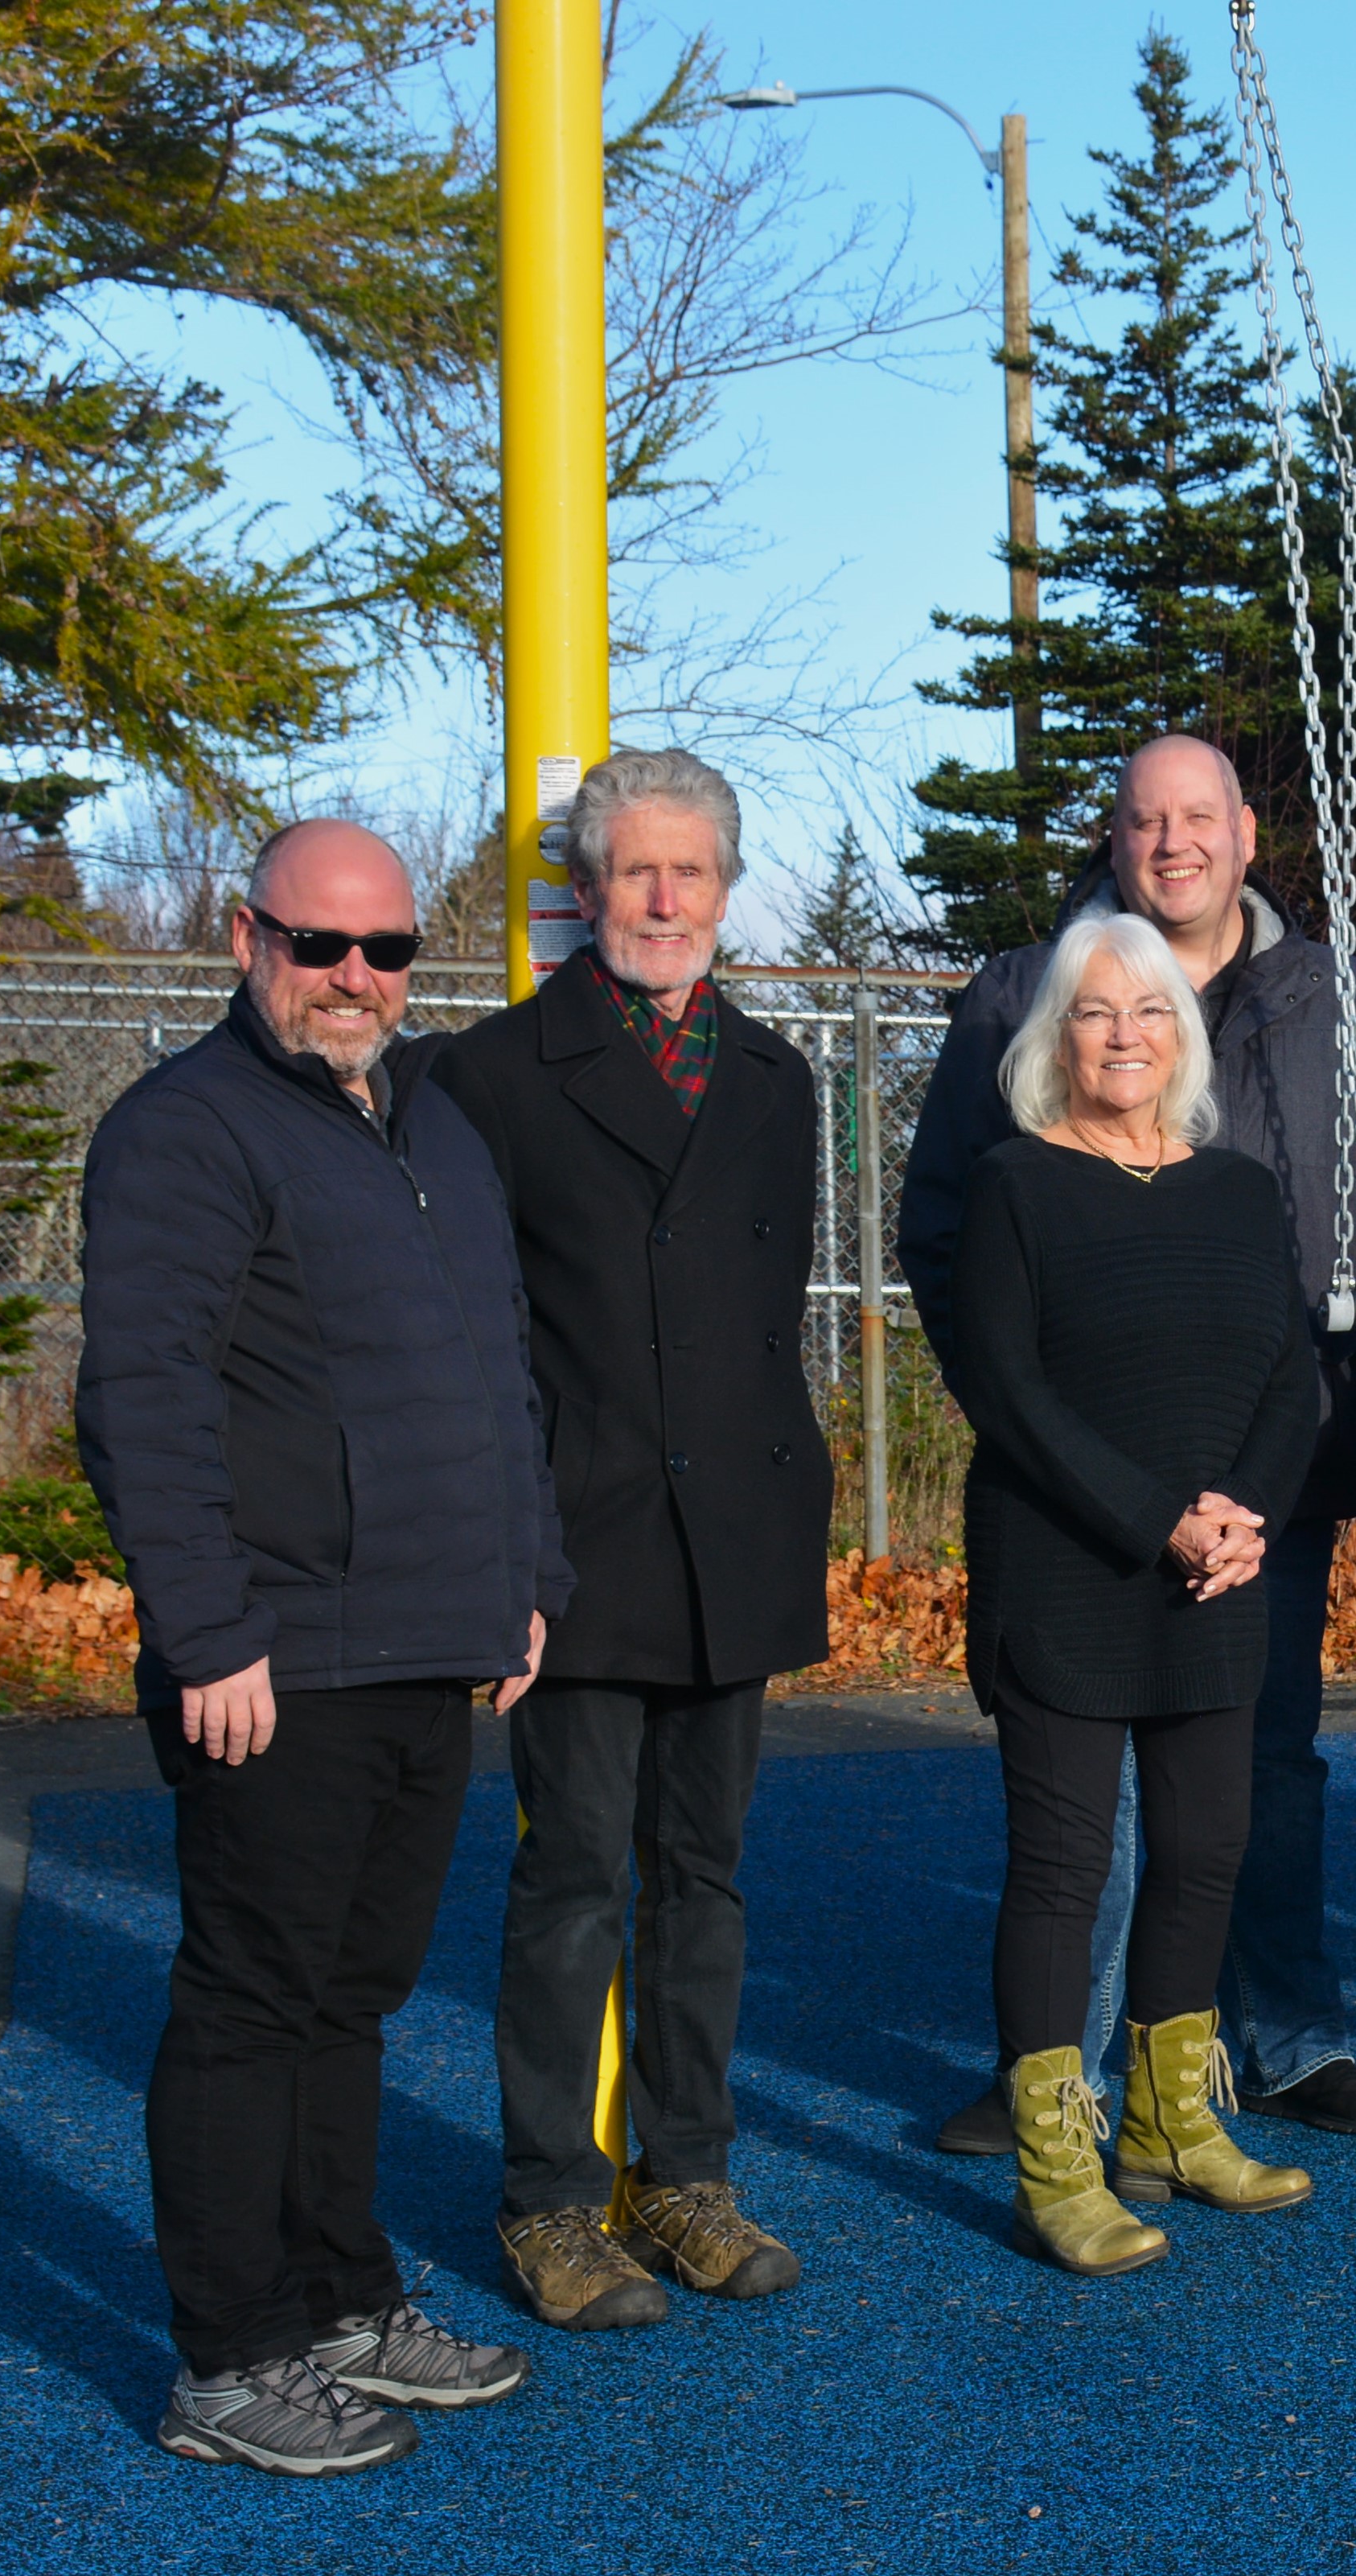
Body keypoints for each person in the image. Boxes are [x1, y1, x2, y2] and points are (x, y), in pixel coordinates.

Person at [78, 818, 564, 2475]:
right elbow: (141, 1396)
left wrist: (523, 1574)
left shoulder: (432, 1120)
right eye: (320, 946)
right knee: (250, 1998)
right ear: (248, 939)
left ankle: (341, 2296)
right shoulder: (185, 1131)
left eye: (386, 951)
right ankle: (228, 2356)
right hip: (279, 1655)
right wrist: (207, 1626)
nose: (354, 979)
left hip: (437, 1634)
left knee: (351, 1997)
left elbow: (497, 1361)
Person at [902, 735, 1356, 2147]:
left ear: (1247, 834)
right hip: (1082, 1479)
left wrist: (1311, 1444)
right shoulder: (1026, 994)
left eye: (1197, 818)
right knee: (1085, 1805)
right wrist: (1031, 1428)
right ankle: (1061, 2067)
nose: (1173, 844)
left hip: (1276, 1469)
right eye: (1146, 820)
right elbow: (949, 1229)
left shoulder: (1339, 1001)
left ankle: (1282, 2040)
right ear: (1117, 837)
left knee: (1253, 1770)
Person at [429, 749, 829, 2332]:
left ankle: (687, 2174)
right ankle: (546, 2197)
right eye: (635, 870)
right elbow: (481, 1337)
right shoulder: (495, 1076)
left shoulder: (781, 1079)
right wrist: (504, 1553)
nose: (664, 898)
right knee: (574, 1874)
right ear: (583, 889)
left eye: (693, 870)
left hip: (732, 1528)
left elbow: (759, 1317)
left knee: (706, 1874)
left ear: (727, 889)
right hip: (581, 1536)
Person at [941, 909, 1322, 2274]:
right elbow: (1009, 1393)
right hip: (1069, 1571)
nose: (1124, 1036)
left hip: (1216, 1578)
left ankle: (1169, 2124)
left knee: (1207, 1847)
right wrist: (1158, 1518)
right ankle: (1058, 2161)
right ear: (1056, 1035)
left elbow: (1296, 1374)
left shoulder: (1237, 1191)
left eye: (1149, 1012)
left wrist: (1238, 1521)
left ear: (1184, 1036)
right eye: (1096, 1013)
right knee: (1063, 1866)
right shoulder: (1015, 1186)